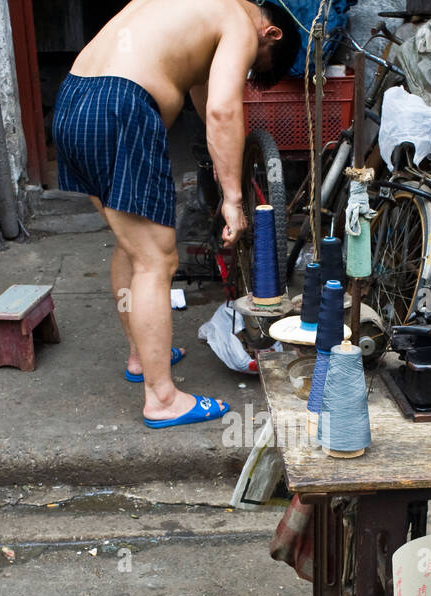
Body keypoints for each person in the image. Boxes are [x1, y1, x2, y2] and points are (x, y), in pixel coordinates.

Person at [52, 0, 301, 428]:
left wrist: (230, 160)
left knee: (132, 247)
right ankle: (162, 398)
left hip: (74, 101)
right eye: (254, 67)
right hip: (120, 106)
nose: (245, 71)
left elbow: (208, 109)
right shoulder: (240, 23)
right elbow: (224, 111)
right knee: (157, 260)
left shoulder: (195, 9)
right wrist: (233, 200)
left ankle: (140, 356)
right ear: (271, 34)